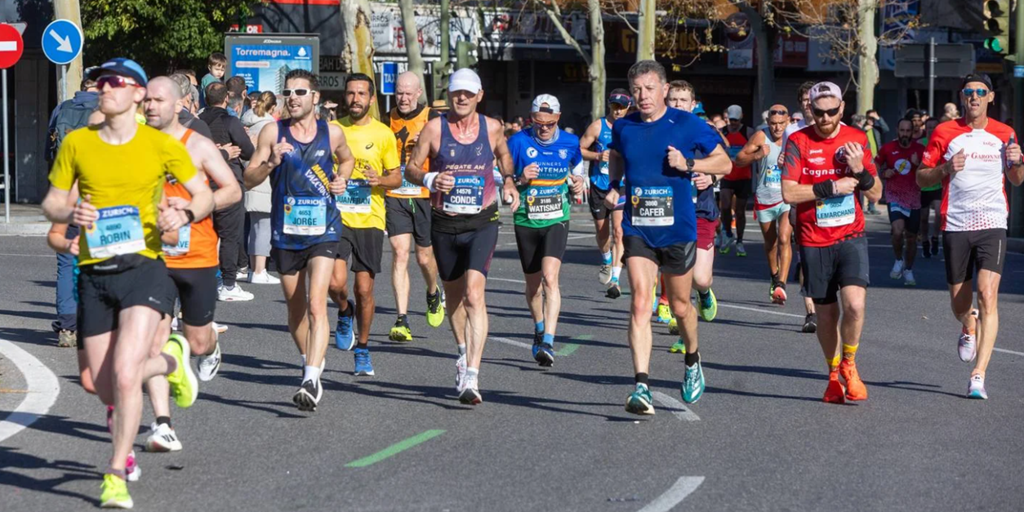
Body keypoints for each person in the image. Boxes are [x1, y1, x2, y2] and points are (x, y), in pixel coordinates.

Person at [41, 58, 215, 508]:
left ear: (137, 94)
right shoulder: (78, 143)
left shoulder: (159, 145)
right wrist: (70, 212)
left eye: (116, 82)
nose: (105, 87)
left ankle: (116, 472)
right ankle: (172, 362)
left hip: (144, 269)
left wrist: (185, 213)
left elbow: (204, 194)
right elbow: (52, 204)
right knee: (95, 385)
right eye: (102, 81)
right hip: (94, 274)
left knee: (124, 373)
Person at [604, 60, 731, 414]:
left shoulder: (687, 124)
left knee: (680, 306)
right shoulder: (624, 126)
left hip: (677, 229)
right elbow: (616, 155)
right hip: (638, 227)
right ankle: (641, 386)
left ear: (664, 89)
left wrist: (689, 165)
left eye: (649, 88)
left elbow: (724, 163)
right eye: (637, 90)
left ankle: (692, 358)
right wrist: (614, 184)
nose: (643, 96)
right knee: (640, 302)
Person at [244, 69, 354, 411]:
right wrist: (271, 162)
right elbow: (248, 177)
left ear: (315, 98)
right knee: (296, 309)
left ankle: (310, 378)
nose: (292, 97)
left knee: (317, 303)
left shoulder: (331, 132)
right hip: (286, 233)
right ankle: (311, 360)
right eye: (288, 92)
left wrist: (342, 179)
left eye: (300, 92)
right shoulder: (272, 132)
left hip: (323, 230)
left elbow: (348, 159)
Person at [405, 68, 518, 405]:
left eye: (469, 93)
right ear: (450, 95)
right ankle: (462, 351)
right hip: (444, 223)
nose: (462, 98)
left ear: (479, 95)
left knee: (474, 294)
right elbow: (411, 168)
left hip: (482, 221)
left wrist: (508, 181)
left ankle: (472, 374)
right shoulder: (435, 128)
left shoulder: (492, 127)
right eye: (457, 93)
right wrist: (430, 179)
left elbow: (504, 155)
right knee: (454, 297)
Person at [143, 76, 242, 452]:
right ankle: (163, 424)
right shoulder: (137, 145)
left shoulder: (197, 144)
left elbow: (232, 190)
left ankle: (209, 346)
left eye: (158, 100)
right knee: (154, 341)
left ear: (179, 105)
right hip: (153, 256)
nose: (150, 106)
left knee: (196, 340)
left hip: (197, 254)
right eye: (146, 100)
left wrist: (194, 206)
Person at [916, 73, 1024, 399]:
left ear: (990, 97)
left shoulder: (1005, 133)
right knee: (960, 303)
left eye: (980, 91)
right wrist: (946, 169)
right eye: (969, 92)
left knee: (987, 294)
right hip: (956, 223)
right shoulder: (944, 132)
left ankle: (979, 374)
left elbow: (1016, 179)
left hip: (993, 221)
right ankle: (968, 324)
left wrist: (1018, 163)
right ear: (962, 97)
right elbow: (922, 178)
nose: (974, 96)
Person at [781, 81, 882, 404]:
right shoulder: (798, 141)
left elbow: (876, 193)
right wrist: (830, 188)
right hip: (814, 238)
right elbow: (789, 192)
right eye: (819, 112)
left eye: (831, 111)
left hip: (851, 235)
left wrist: (860, 171)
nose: (825, 118)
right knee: (826, 315)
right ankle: (833, 373)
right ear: (810, 109)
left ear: (842, 108)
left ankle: (850, 363)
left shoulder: (856, 139)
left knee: (855, 305)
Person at [329, 73, 402, 376]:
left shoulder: (383, 134)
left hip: (370, 217)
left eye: (361, 94)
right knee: (334, 283)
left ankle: (363, 348)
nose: (355, 99)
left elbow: (396, 177)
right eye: (351, 93)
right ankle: (344, 310)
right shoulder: (333, 129)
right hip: (337, 215)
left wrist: (380, 179)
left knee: (364, 289)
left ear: (371, 99)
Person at [508, 94, 585, 366]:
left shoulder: (570, 142)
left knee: (550, 279)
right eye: (538, 123)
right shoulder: (517, 142)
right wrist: (519, 179)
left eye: (549, 124)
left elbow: (578, 166)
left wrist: (579, 181)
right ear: (531, 119)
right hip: (526, 219)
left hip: (556, 218)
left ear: (558, 119)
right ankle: (539, 328)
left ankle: (549, 341)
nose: (543, 129)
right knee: (533, 286)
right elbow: (502, 178)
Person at [663, 80, 724, 351]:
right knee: (680, 276)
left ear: (693, 104)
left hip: (701, 211)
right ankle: (684, 336)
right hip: (670, 211)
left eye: (683, 100)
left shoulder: (705, 130)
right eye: (673, 99)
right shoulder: (659, 130)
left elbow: (725, 165)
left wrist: (711, 177)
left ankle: (704, 292)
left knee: (700, 278)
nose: (678, 104)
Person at [386, 71, 446, 341]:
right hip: (395, 193)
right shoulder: (386, 119)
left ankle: (433, 292)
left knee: (423, 258)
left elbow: (448, 153)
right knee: (400, 253)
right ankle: (402, 320)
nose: (403, 98)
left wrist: (430, 142)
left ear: (419, 93)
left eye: (408, 93)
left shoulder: (433, 118)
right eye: (399, 93)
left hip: (424, 194)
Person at [45, 76, 99, 347]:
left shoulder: (62, 109)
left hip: (67, 192)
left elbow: (49, 151)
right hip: (99, 196)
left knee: (67, 262)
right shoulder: (106, 112)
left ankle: (67, 325)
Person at [200, 82, 256, 301]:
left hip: (202, 183)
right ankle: (229, 284)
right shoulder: (231, 121)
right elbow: (248, 151)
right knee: (230, 236)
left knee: (206, 234)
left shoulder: (197, 121)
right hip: (228, 182)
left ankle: (205, 281)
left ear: (206, 99)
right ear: (226, 99)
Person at [736, 105, 793, 304]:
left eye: (781, 124)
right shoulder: (761, 136)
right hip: (765, 197)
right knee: (771, 242)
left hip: (786, 197)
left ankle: (781, 284)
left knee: (785, 238)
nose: (777, 128)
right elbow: (739, 159)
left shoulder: (794, 137)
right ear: (768, 122)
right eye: (773, 124)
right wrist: (757, 156)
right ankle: (774, 276)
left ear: (788, 121)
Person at [580, 90, 631, 297]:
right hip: (599, 185)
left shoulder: (631, 127)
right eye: (614, 106)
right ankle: (606, 259)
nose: (617, 111)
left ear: (628, 107)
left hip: (620, 186)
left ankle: (616, 280)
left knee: (619, 231)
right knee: (603, 233)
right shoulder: (598, 126)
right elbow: (579, 149)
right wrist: (597, 155)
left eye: (622, 107)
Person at [782, 81, 820, 333]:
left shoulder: (835, 128)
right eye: (805, 100)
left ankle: (825, 303)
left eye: (812, 100)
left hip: (830, 202)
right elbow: (787, 164)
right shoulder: (792, 131)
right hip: (801, 200)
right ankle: (811, 312)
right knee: (807, 258)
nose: (808, 104)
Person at [877, 118, 925, 286]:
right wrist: (884, 173)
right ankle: (898, 259)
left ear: (913, 132)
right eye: (902, 130)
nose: (905, 134)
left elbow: (929, 172)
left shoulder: (920, 150)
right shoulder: (888, 148)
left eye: (908, 131)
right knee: (897, 231)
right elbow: (876, 166)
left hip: (913, 198)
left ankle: (908, 269)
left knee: (911, 237)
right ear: (897, 130)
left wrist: (918, 165)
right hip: (894, 196)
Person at [241, 91, 280, 284]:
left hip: (248, 174)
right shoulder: (270, 127)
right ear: (273, 108)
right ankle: (259, 270)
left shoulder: (245, 121)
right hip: (263, 177)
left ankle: (252, 269)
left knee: (254, 227)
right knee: (264, 226)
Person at [719, 104, 752, 257]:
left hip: (743, 177)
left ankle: (739, 240)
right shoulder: (723, 132)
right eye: (731, 120)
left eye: (736, 120)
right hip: (727, 175)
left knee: (740, 211)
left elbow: (757, 149)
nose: (733, 123)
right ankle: (727, 233)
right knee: (725, 206)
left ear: (741, 118)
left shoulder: (748, 132)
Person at [919, 117, 942, 258]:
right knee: (924, 217)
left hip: (937, 184)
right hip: (922, 187)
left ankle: (935, 237)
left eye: (934, 127)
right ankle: (925, 241)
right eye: (929, 127)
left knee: (939, 213)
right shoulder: (920, 144)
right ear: (925, 129)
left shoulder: (941, 143)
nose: (931, 130)